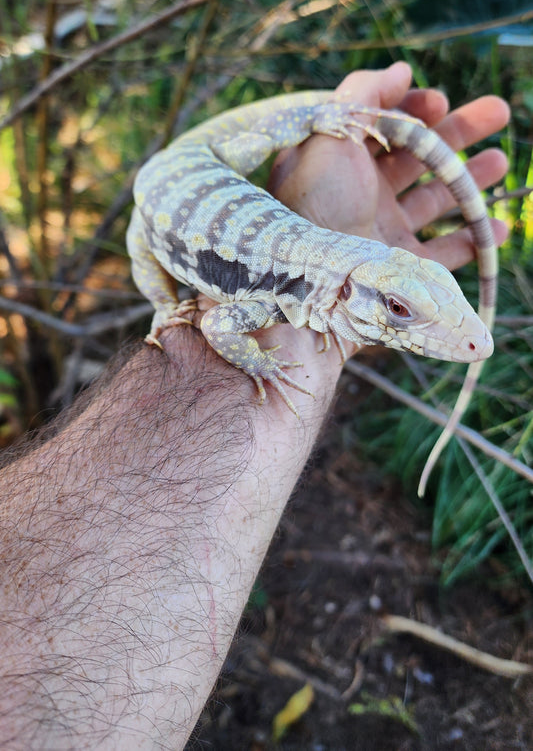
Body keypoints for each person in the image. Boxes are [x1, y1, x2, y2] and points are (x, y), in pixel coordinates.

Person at [0, 64, 509, 749]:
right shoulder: (269, 293)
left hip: (202, 174)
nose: (459, 336)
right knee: (156, 277)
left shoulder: (325, 271)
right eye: (396, 309)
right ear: (343, 291)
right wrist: (259, 362)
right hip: (169, 195)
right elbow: (217, 325)